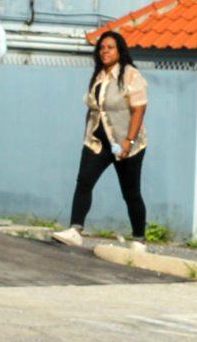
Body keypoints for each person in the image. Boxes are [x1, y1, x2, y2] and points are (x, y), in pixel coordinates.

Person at [51, 31, 151, 249]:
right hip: (98, 142)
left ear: (119, 50)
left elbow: (139, 109)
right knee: (84, 181)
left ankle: (139, 240)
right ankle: (75, 229)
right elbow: (93, 110)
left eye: (110, 47)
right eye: (102, 48)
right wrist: (87, 135)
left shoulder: (129, 74)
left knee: (131, 192)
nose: (105, 51)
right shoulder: (99, 76)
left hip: (126, 143)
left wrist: (129, 142)